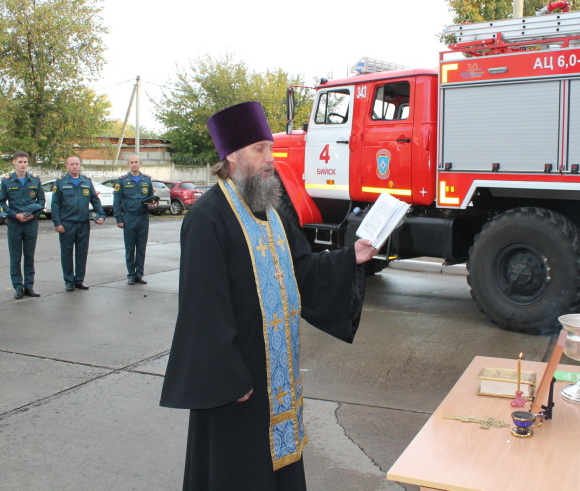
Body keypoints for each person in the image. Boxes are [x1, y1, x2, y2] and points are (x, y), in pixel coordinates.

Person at [160, 101, 377, 491]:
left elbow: (303, 271)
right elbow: (202, 308)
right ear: (231, 155)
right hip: (238, 385)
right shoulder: (207, 218)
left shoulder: (271, 213)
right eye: (260, 149)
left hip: (277, 379)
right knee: (237, 470)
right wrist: (229, 376)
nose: (270, 159)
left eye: (270, 149)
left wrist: (350, 257)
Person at [51, 156, 105, 291]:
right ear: (66, 166)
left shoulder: (86, 181)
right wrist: (57, 223)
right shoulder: (60, 182)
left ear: (80, 165)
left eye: (77, 164)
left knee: (82, 253)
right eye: (72, 164)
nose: (74, 166)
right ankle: (69, 281)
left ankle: (79, 280)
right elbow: (55, 204)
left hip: (83, 223)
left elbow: (94, 199)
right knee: (66, 253)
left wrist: (101, 215)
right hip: (67, 224)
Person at [0, 151, 46, 299]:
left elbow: (41, 201)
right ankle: (18, 286)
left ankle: (29, 286)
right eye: (20, 162)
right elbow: (1, 203)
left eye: (25, 162)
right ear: (14, 163)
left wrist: (34, 215)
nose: (23, 164)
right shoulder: (6, 181)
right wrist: (14, 215)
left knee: (29, 256)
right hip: (15, 224)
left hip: (31, 224)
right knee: (15, 257)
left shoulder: (35, 180)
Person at [113, 155, 156, 285]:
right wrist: (119, 219)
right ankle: (131, 274)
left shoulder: (147, 180)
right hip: (129, 217)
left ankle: (139, 274)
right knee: (130, 247)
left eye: (136, 162)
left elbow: (151, 197)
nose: (134, 164)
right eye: (132, 162)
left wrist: (153, 204)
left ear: (140, 163)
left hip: (143, 217)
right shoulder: (122, 181)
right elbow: (117, 200)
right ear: (128, 164)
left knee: (142, 247)